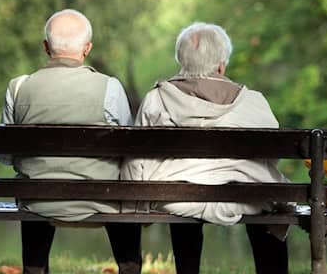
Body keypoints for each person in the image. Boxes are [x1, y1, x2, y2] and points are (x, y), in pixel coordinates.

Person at [122, 22, 290, 274]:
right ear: (222, 65)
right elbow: (271, 156)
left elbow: (138, 159)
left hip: (176, 197)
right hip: (242, 198)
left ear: (182, 62)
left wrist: (134, 203)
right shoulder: (253, 102)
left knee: (182, 189)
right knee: (264, 197)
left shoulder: (157, 98)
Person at [0, 9, 141, 274]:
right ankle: (130, 267)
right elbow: (127, 150)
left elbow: (5, 156)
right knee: (124, 188)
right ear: (87, 48)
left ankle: (35, 268)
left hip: (37, 201)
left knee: (34, 188)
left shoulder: (18, 88)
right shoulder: (109, 87)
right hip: (102, 199)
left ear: (45, 47)